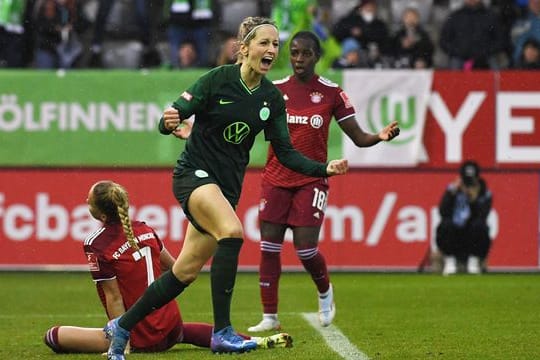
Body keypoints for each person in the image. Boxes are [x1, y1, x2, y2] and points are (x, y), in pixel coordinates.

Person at [103, 16, 349, 360]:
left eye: (275, 44)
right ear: (244, 49)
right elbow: (174, 113)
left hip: (226, 189)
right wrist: (168, 120)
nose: (271, 50)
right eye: (264, 43)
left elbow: (288, 153)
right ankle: (222, 333)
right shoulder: (216, 80)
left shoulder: (271, 99)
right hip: (194, 176)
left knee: (184, 271)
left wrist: (324, 167)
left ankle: (123, 326)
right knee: (232, 232)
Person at [248, 31, 400, 332]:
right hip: (275, 179)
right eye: (294, 53)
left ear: (317, 57)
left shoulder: (331, 93)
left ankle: (325, 293)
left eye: (305, 54)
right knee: (269, 248)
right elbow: (244, 122)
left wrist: (378, 137)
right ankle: (269, 316)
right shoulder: (273, 89)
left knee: (305, 249)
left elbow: (357, 136)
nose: (298, 59)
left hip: (312, 179)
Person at [43, 180, 292, 354]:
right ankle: (254, 340)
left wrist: (123, 341)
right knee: (184, 332)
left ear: (101, 215)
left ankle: (126, 338)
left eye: (88, 199)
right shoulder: (145, 229)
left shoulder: (96, 244)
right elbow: (174, 268)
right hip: (171, 328)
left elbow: (113, 296)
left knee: (52, 336)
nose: (85, 200)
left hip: (138, 335)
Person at [436, 161, 493, 275]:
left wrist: (474, 199)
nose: (467, 184)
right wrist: (452, 193)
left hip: (471, 234)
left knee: (480, 226)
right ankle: (450, 261)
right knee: (445, 225)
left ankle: (474, 261)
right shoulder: (452, 190)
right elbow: (443, 212)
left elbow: (482, 216)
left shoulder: (484, 193)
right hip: (455, 233)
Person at [439, 0, 505, 70]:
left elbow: (500, 39)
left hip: (486, 56)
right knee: (454, 64)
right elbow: (444, 40)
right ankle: (452, 81)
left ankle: (498, 81)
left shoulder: (491, 16)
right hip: (460, 57)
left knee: (494, 65)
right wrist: (458, 52)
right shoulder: (455, 16)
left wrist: (486, 52)